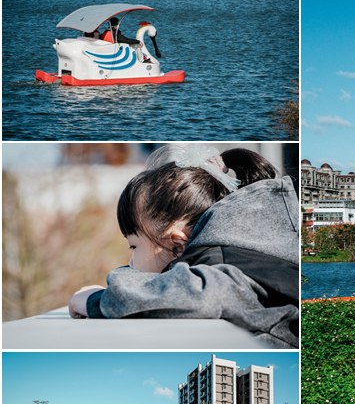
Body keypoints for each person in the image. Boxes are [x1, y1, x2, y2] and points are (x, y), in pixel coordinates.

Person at [66, 146, 299, 348]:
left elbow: (199, 296)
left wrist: (96, 300)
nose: (130, 262)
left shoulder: (223, 260)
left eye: (134, 247)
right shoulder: (245, 247)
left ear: (177, 244)